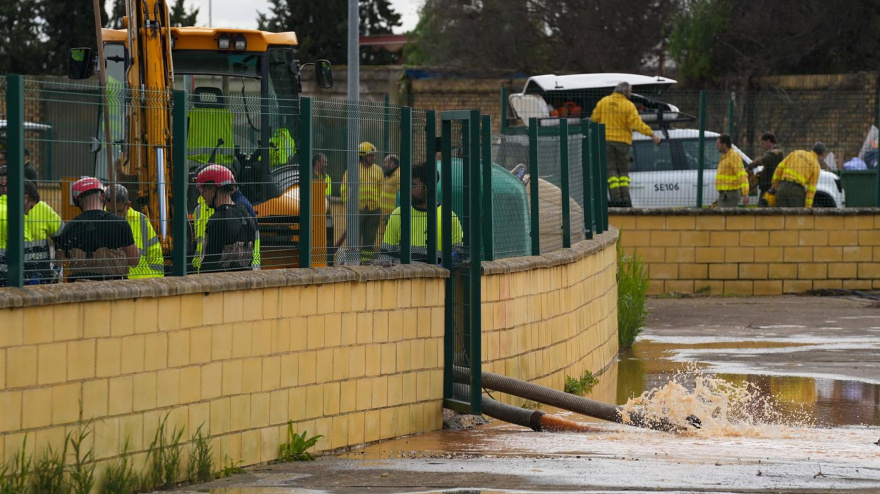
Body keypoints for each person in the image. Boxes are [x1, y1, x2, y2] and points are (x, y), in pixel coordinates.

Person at [590, 82, 661, 208]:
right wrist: (651, 134)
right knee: (623, 172)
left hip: (605, 142)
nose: (631, 93)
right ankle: (626, 200)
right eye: (630, 91)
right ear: (624, 92)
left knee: (611, 171)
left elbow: (594, 119)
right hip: (622, 143)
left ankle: (616, 199)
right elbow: (636, 124)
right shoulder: (628, 105)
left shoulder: (603, 102)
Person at [54, 177, 138, 281]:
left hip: (81, 291)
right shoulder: (120, 223)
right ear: (103, 196)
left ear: (78, 202)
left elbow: (58, 262)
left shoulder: (69, 228)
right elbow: (134, 260)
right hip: (114, 289)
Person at [381, 162, 463, 265]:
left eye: (414, 185)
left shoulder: (449, 217)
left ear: (428, 187)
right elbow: (385, 254)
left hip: (435, 278)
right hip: (403, 278)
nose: (410, 190)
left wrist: (444, 266)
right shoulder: (398, 214)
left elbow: (458, 252)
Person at [192, 165, 260, 271]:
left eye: (204, 190)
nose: (202, 196)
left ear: (213, 189)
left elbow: (209, 263)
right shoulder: (246, 215)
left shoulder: (217, 220)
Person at [106, 184, 164, 279]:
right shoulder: (98, 220)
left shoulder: (141, 221)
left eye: (119, 211)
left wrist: (150, 283)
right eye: (109, 211)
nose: (114, 216)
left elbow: (156, 260)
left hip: (141, 284)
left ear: (128, 205)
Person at [340, 142, 384, 259]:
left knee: (370, 239)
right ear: (362, 156)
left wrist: (377, 203)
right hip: (357, 209)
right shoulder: (352, 170)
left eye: (374, 155)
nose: (373, 158)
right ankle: (353, 260)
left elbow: (381, 189)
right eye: (370, 155)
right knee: (355, 238)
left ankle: (366, 262)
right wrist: (350, 205)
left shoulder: (378, 170)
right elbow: (344, 189)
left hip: (374, 209)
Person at [769, 142, 825, 208]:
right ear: (821, 154)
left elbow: (779, 168)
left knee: (782, 216)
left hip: (782, 187)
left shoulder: (796, 153)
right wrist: (808, 207)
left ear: (812, 149)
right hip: (796, 191)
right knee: (796, 216)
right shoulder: (816, 166)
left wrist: (774, 184)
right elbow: (811, 189)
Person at [746, 132, 784, 204]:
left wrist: (750, 166)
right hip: (769, 185)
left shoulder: (775, 153)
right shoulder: (775, 153)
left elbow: (763, 160)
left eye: (763, 143)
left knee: (762, 207)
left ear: (768, 141)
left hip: (769, 186)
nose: (763, 146)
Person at [715, 134, 749, 208]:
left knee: (724, 217)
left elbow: (742, 175)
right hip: (725, 195)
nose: (717, 146)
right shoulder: (725, 157)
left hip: (730, 195)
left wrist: (745, 193)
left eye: (718, 144)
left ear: (724, 145)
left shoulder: (733, 156)